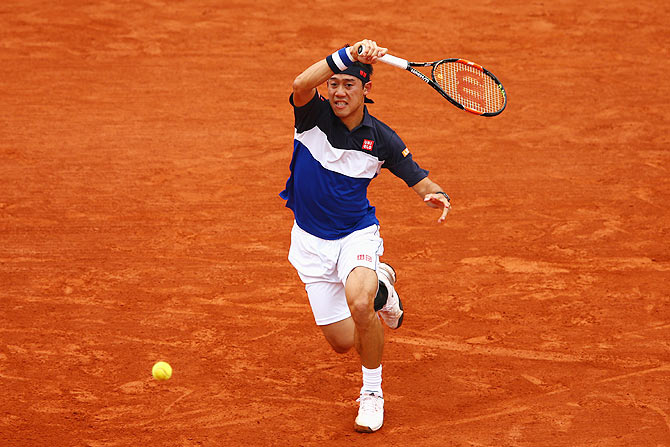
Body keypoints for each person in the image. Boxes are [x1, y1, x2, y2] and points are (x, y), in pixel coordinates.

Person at [280, 39, 451, 433]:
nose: (338, 92)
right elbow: (300, 83)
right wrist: (348, 54)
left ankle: (371, 393)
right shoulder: (312, 116)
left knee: (360, 305)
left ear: (366, 90)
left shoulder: (382, 138)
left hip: (355, 235)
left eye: (349, 85)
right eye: (334, 84)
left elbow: (418, 178)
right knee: (342, 341)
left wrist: (435, 194)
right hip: (309, 244)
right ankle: (384, 288)